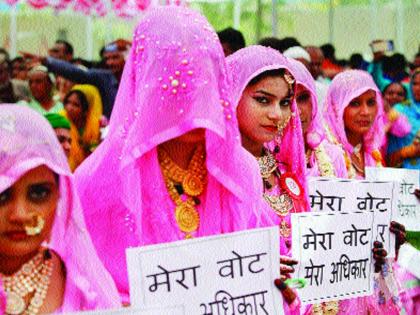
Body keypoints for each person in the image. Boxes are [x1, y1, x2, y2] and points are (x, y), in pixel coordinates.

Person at [75, 6, 267, 303]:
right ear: (144, 80)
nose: (193, 104)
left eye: (204, 80)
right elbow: (80, 290)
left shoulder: (240, 171)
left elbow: (259, 270)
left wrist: (275, 280)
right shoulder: (95, 181)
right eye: (174, 83)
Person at [0, 105, 120, 313]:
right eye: (2, 195)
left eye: (38, 193)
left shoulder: (85, 286)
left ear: (60, 196)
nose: (19, 214)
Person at [227, 45, 309, 314]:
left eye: (285, 103)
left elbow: (299, 269)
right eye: (263, 100)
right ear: (232, 95)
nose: (277, 114)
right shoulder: (217, 175)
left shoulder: (285, 171)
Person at [323, 70, 405, 314]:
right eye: (355, 103)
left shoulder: (371, 154)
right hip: (342, 274)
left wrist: (395, 232)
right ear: (337, 107)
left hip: (374, 271)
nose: (366, 112)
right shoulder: (326, 156)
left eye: (371, 103)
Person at [287, 58, 347, 178]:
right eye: (286, 101)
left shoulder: (333, 157)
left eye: (303, 98)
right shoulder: (258, 161)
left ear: (314, 101)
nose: (297, 111)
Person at [63, 85, 103, 171]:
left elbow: (95, 151)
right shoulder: (60, 123)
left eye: (76, 105)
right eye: (68, 102)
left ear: (86, 110)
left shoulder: (97, 125)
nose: (69, 108)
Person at [387, 69, 420, 168]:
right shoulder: (399, 110)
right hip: (405, 173)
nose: (418, 88)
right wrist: (408, 151)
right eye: (415, 84)